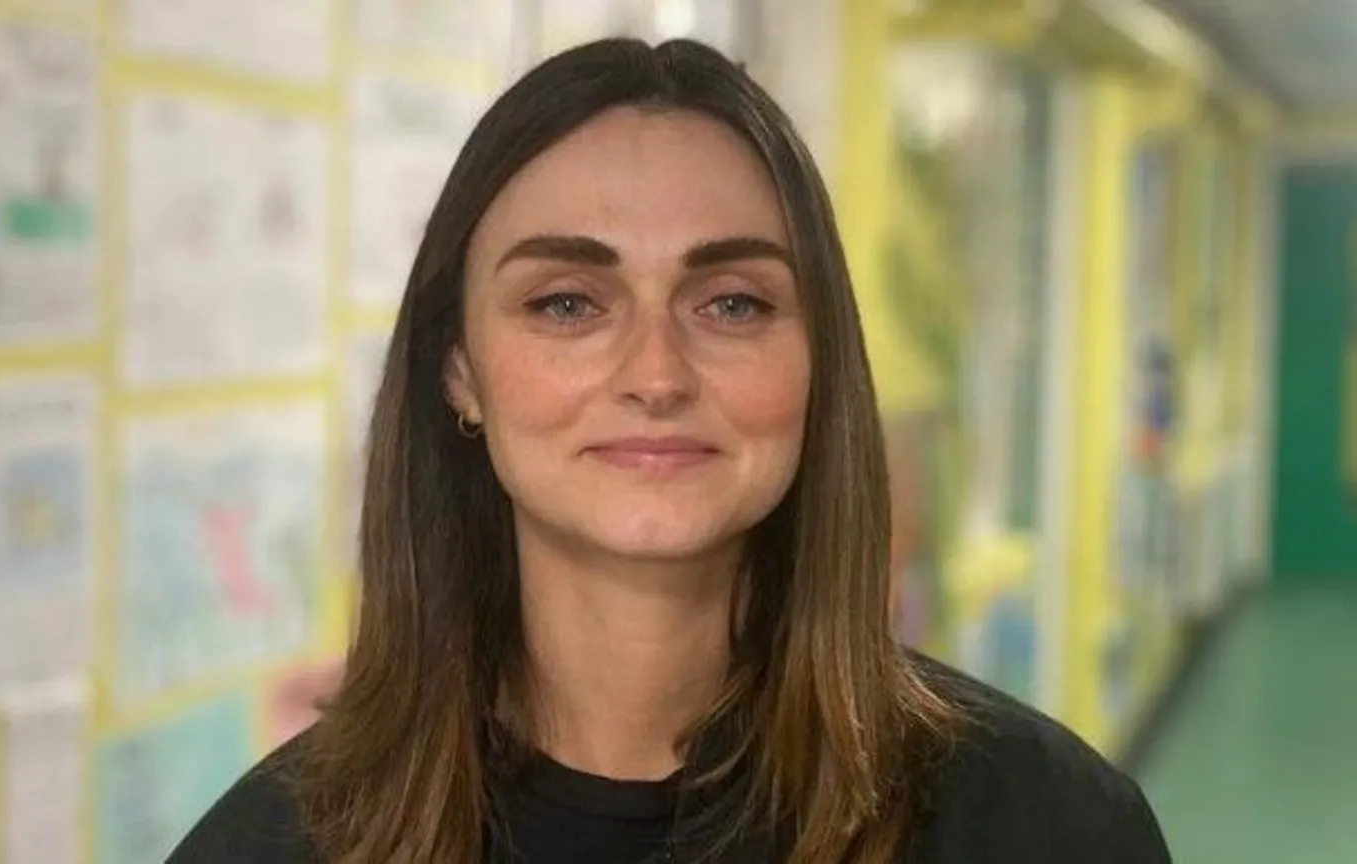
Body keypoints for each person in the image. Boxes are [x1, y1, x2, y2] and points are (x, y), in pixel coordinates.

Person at [166, 38, 1171, 863]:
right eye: (566, 302)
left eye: (732, 303)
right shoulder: (276, 845)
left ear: (820, 365)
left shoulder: (1050, 828)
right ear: (459, 372)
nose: (655, 374)